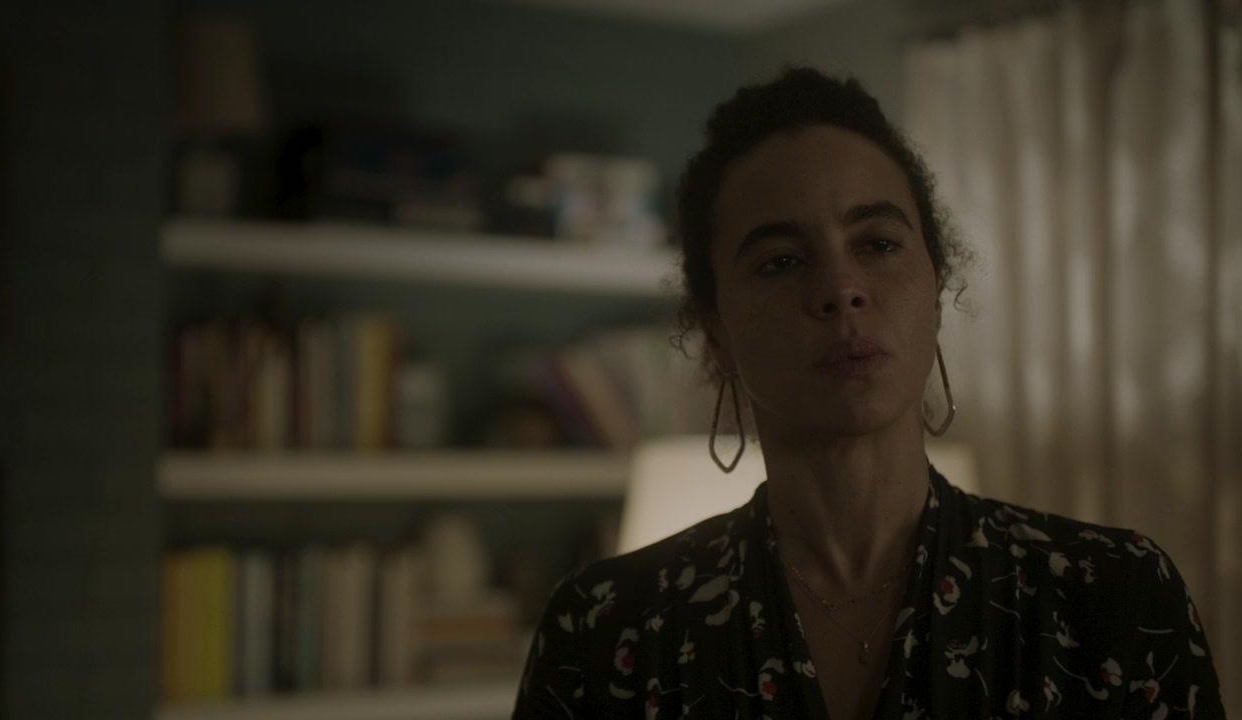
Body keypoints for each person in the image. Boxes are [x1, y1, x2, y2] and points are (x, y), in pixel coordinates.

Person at [511, 67, 1225, 720]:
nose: (841, 289)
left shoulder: (1112, 596)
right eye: (782, 261)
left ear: (936, 291)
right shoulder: (608, 628)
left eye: (877, 244)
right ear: (717, 332)